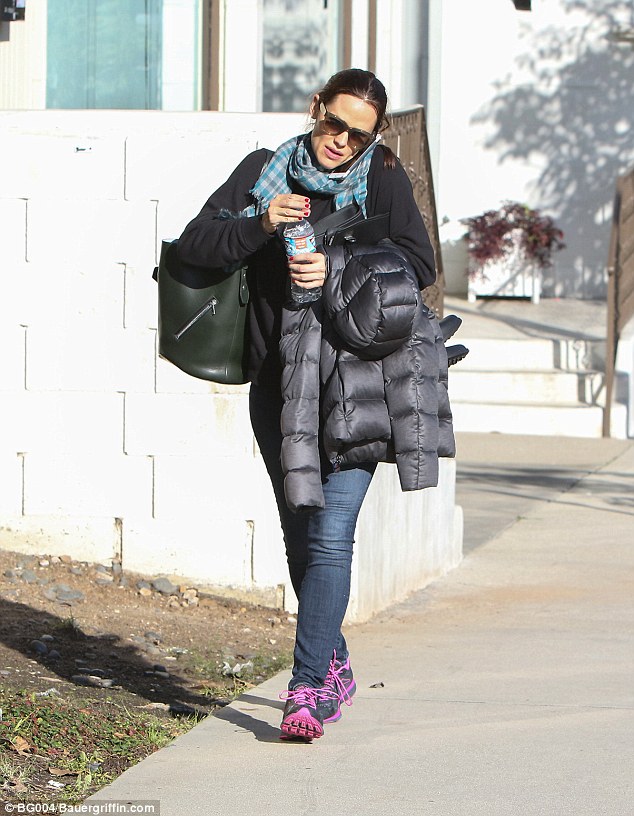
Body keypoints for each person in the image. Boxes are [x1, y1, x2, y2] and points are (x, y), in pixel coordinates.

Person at [177, 68, 454, 741]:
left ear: (374, 135)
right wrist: (260, 222)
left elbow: (420, 263)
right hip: (280, 383)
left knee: (331, 534)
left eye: (359, 133)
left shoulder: (383, 177)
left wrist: (338, 265)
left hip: (359, 382)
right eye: (334, 123)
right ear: (316, 109)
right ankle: (332, 662)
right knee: (300, 533)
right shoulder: (265, 170)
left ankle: (305, 689)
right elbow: (195, 246)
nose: (342, 141)